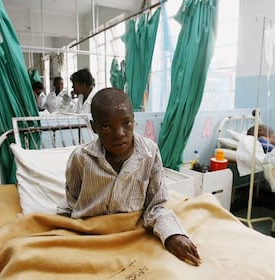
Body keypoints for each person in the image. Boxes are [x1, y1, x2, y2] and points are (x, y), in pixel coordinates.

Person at [57, 87, 201, 266]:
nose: (119, 134)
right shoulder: (81, 158)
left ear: (134, 121)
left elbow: (156, 205)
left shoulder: (150, 153)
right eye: (107, 126)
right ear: (94, 127)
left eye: (126, 123)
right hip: (89, 233)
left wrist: (173, 234)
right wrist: (61, 231)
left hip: (132, 233)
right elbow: (72, 201)